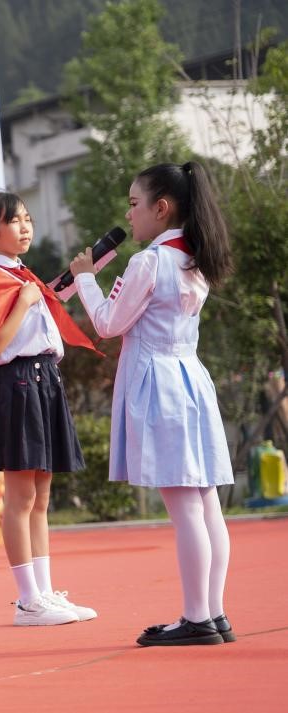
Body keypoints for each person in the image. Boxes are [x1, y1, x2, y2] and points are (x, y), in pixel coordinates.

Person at [70, 161, 235, 646]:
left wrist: (84, 277)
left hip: (160, 384)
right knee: (205, 505)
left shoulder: (149, 262)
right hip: (190, 379)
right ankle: (214, 612)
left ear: (161, 209)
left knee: (186, 507)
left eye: (135, 203)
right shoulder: (195, 259)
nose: (130, 213)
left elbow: (106, 323)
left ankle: (197, 617)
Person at [0, 192, 99, 627]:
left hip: (44, 382)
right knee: (20, 498)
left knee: (41, 497)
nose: (25, 228)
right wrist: (23, 302)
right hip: (18, 384)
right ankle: (27, 600)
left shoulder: (25, 273)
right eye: (14, 221)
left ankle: (44, 592)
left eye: (27, 220)